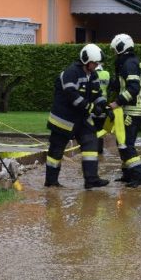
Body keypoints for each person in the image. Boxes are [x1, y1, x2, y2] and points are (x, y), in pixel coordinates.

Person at [45, 44, 108, 189]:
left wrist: (104, 106)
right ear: (86, 60)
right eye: (95, 62)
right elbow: (72, 96)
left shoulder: (93, 75)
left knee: (91, 142)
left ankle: (91, 180)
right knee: (56, 150)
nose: (97, 65)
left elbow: (97, 94)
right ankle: (51, 182)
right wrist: (92, 107)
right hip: (63, 119)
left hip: (81, 118)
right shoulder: (71, 73)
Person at [105, 33, 141, 187]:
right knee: (122, 143)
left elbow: (134, 88)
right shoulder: (127, 62)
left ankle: (139, 177)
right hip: (129, 110)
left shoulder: (129, 63)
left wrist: (117, 102)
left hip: (132, 111)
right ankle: (128, 174)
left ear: (121, 47)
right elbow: (121, 84)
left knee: (126, 144)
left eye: (115, 49)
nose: (114, 53)